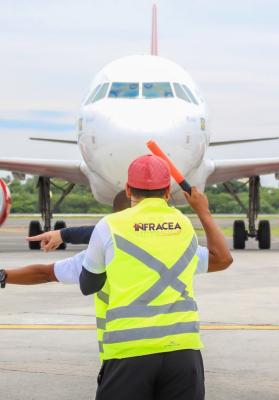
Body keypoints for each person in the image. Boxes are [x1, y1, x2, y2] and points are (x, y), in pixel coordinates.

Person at [79, 154, 232, 400]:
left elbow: (89, 284)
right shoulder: (183, 225)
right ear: (168, 192)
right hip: (183, 351)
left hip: (129, 352)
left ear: (128, 190)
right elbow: (222, 259)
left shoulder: (109, 226)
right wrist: (203, 212)